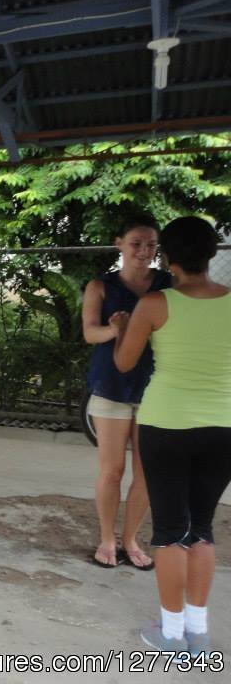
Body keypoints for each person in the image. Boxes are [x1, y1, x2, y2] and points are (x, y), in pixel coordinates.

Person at [114, 216, 231, 656]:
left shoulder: (156, 303)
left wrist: (125, 326)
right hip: (224, 426)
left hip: (166, 426)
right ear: (211, 255)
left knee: (168, 532)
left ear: (168, 258)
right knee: (201, 529)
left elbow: (125, 364)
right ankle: (198, 633)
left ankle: (171, 632)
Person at [82, 215, 170, 570]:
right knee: (112, 470)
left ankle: (131, 538)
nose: (144, 251)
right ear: (119, 243)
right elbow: (90, 333)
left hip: (157, 385)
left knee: (146, 471)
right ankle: (107, 538)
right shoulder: (99, 286)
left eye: (151, 245)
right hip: (112, 385)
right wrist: (115, 329)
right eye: (136, 243)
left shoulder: (169, 285)